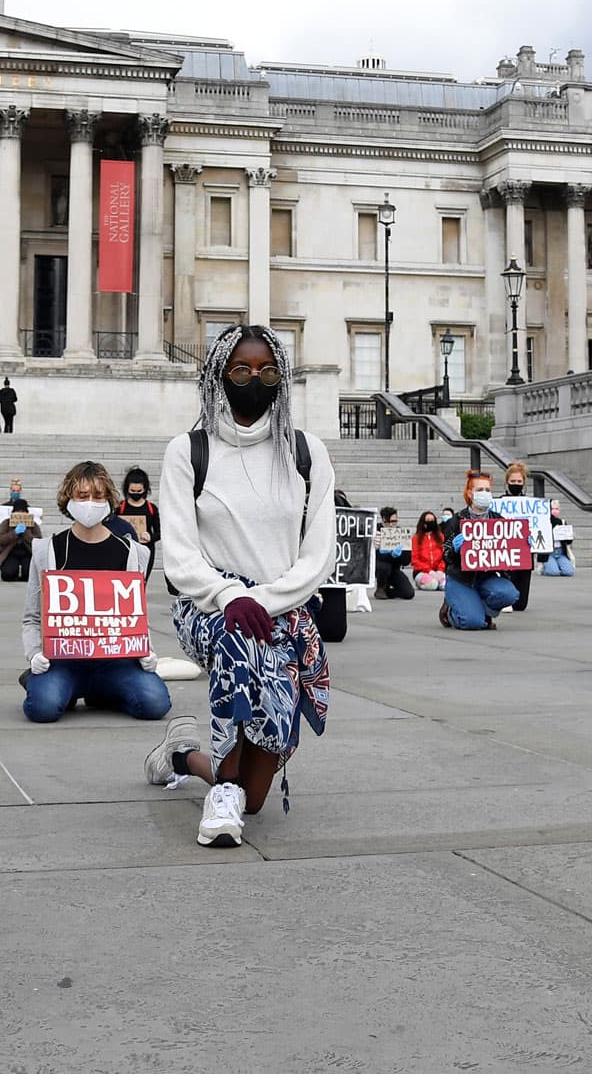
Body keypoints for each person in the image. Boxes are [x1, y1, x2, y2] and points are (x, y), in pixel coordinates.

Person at [145, 323, 335, 849]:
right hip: (209, 605)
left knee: (255, 797)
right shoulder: (188, 450)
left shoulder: (306, 451)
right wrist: (231, 595)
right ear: (217, 376)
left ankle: (186, 757)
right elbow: (180, 556)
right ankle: (220, 797)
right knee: (241, 642)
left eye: (268, 370)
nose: (256, 379)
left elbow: (318, 555)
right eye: (242, 370)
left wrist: (265, 599)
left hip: (283, 606)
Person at [20, 461, 171, 723]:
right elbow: (32, 617)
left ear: (109, 500)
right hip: (65, 659)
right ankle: (47, 681)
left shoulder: (132, 553)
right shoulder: (48, 551)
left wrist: (146, 650)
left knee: (155, 703)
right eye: (82, 495)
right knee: (42, 707)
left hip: (116, 660)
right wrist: (34, 654)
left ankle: (100, 690)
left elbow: (134, 615)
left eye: (98, 496)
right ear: (68, 499)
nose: (90, 502)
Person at [441, 469, 520, 629]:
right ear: (470, 494)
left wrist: (523, 544)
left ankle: (481, 609)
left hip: (487, 577)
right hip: (461, 579)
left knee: (509, 594)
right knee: (472, 623)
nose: (485, 493)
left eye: (488, 490)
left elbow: (508, 554)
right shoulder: (456, 521)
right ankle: (450, 611)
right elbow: (445, 555)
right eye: (480, 490)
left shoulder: (498, 520)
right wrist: (455, 549)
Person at [501, 460, 538, 610]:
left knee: (520, 605)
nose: (515, 484)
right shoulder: (500, 503)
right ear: (507, 482)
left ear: (524, 483)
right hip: (506, 551)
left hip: (524, 551)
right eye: (512, 481)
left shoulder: (531, 505)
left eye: (518, 481)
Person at [117, 467, 160, 564]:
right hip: (124, 550)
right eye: (132, 491)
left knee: (142, 578)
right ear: (127, 489)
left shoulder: (151, 508)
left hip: (146, 551)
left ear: (145, 489)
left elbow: (160, 532)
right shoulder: (120, 508)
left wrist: (150, 537)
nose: (135, 494)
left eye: (139, 491)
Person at [0, 494, 42, 582]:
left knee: (29, 575)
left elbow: (38, 541)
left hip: (28, 553)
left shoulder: (33, 524)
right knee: (8, 575)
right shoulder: (6, 523)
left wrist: (26, 533)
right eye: (18, 511)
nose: (20, 513)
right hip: (10, 553)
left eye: (23, 511)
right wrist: (14, 533)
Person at [374, 507, 416, 599]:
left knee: (408, 593)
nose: (391, 525)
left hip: (394, 569)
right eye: (387, 522)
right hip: (379, 567)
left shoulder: (401, 534)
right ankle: (381, 587)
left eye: (393, 521)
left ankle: (387, 591)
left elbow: (406, 561)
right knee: (384, 567)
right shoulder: (375, 532)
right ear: (382, 520)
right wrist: (381, 551)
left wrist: (399, 555)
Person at [410, 510, 448, 590]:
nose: (430, 523)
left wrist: (440, 570)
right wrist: (429, 571)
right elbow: (415, 560)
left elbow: (444, 556)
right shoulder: (416, 538)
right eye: (428, 520)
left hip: (438, 571)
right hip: (421, 571)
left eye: (432, 520)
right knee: (432, 585)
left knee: (445, 585)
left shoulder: (440, 537)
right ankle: (421, 582)